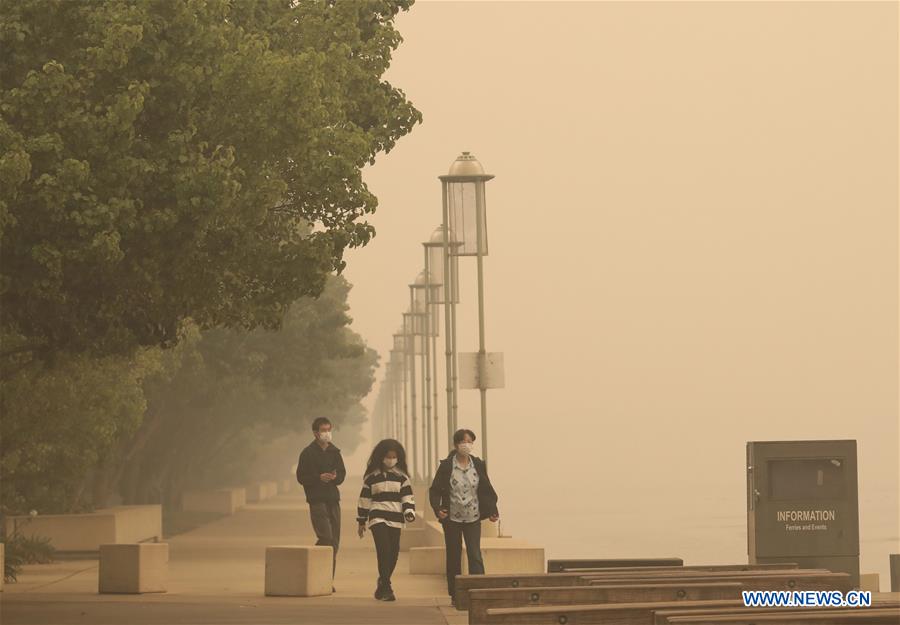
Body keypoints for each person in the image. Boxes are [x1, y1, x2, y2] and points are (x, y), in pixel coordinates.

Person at [429, 428, 499, 607]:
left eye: (470, 441)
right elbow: (435, 490)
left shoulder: (477, 464)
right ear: (456, 444)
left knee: (475, 555)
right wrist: (438, 509)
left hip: (473, 518)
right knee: (454, 556)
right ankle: (455, 594)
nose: (466, 445)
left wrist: (492, 509)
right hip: (452, 518)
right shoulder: (446, 466)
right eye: (463, 441)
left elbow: (486, 489)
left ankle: (479, 594)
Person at [356, 439, 417, 601]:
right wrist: (361, 520)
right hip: (377, 517)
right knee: (383, 550)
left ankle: (382, 581)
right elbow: (364, 499)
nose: (391, 459)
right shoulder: (371, 477)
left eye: (394, 456)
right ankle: (387, 587)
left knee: (393, 552)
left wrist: (409, 511)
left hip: (396, 517)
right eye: (388, 456)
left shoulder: (402, 477)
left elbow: (407, 497)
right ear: (381, 457)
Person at [296, 417, 346, 591]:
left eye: (328, 429)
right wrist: (318, 478)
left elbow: (342, 474)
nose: (326, 433)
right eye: (323, 430)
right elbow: (301, 477)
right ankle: (315, 570)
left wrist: (334, 477)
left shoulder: (335, 452)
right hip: (317, 500)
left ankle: (326, 580)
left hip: (333, 499)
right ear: (315, 433)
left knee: (335, 542)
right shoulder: (308, 453)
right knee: (326, 538)